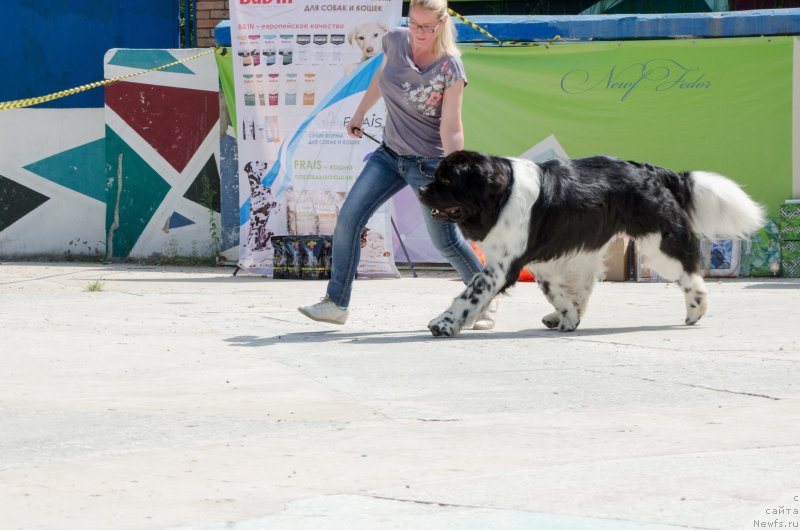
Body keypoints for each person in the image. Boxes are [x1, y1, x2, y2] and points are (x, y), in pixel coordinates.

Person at [298, 0, 497, 330]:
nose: (418, 33)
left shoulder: (450, 68)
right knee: (348, 218)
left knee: (445, 242)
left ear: (442, 23)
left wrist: (454, 178)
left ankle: (483, 299)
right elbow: (381, 76)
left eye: (427, 27)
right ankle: (336, 303)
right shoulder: (394, 40)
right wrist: (360, 113)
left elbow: (452, 126)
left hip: (430, 166)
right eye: (414, 24)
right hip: (389, 155)